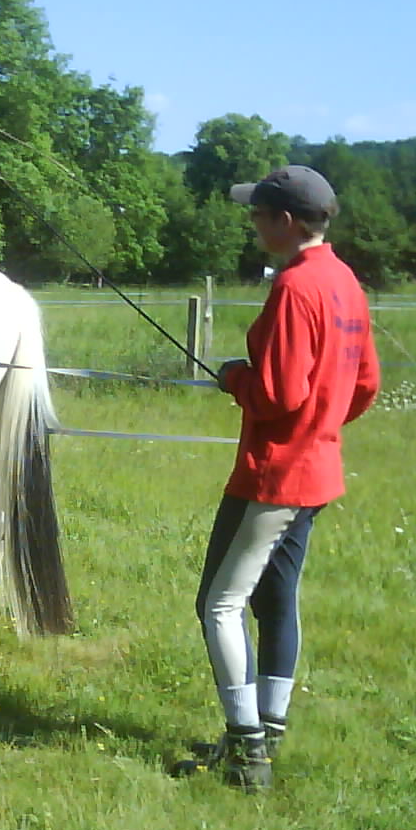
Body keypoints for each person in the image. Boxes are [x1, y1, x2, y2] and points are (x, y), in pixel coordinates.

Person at [174, 165, 380, 793]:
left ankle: (247, 750)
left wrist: (234, 377)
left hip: (273, 477)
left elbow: (280, 393)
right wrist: (322, 426)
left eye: (259, 215)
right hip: (317, 470)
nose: (253, 223)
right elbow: (366, 383)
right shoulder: (344, 280)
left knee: (219, 604)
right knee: (275, 600)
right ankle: (267, 731)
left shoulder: (296, 287)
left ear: (285, 223)